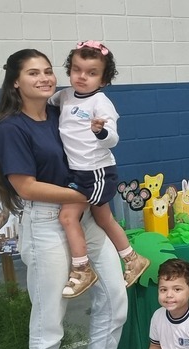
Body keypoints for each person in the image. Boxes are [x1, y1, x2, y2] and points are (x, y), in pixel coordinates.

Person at [0, 48, 129, 349]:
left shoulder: (61, 110)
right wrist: (85, 196)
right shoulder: (10, 127)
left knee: (115, 295)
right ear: (15, 81)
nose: (44, 78)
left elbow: (96, 149)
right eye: (33, 73)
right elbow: (26, 187)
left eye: (48, 71)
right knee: (51, 312)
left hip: (84, 215)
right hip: (48, 220)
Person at [52, 41, 148, 298]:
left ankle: (82, 269)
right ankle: (133, 259)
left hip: (95, 171)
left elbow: (113, 139)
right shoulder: (64, 95)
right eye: (76, 69)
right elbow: (45, 102)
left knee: (68, 217)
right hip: (78, 170)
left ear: (103, 80)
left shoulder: (101, 102)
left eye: (92, 73)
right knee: (104, 219)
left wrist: (100, 131)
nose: (82, 76)